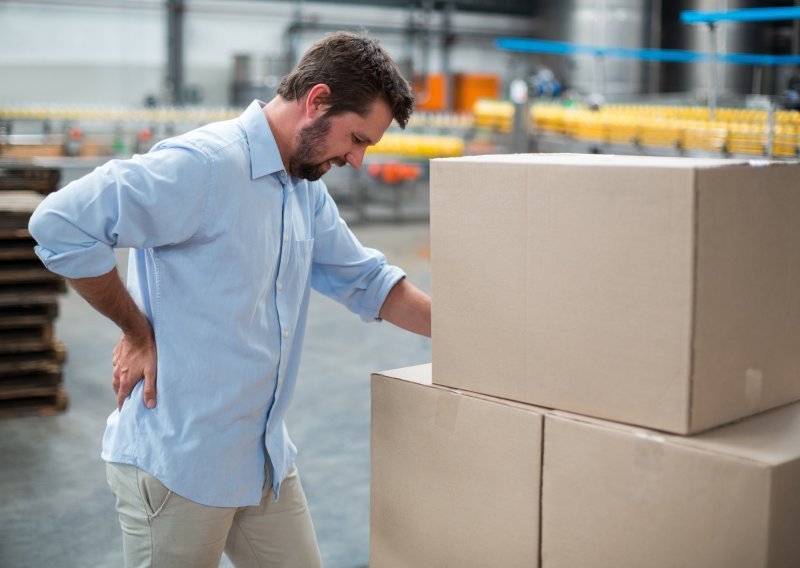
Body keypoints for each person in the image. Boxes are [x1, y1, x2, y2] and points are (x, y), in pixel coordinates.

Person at [28, 31, 431, 567]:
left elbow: (369, 282)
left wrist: (472, 333)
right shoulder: (203, 166)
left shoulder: (302, 189)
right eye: (357, 139)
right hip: (182, 467)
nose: (357, 160)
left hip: (261, 461)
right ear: (318, 101)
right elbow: (60, 224)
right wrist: (135, 329)